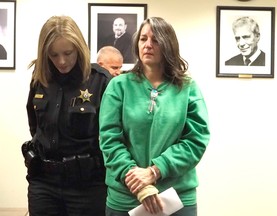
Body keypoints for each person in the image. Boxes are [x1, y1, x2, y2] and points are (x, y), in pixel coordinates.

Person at [99, 17, 210, 216]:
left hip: (175, 198)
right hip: (126, 197)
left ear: (168, 45)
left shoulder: (187, 88)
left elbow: (196, 140)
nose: (148, 45)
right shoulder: (119, 86)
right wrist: (137, 180)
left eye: (156, 40)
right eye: (143, 39)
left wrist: (155, 171)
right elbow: (109, 139)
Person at [23, 15, 111, 216]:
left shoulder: (99, 81)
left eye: (68, 53)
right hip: (44, 183)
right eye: (53, 55)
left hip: (87, 186)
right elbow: (35, 126)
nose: (61, 61)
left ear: (79, 48)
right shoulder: (40, 78)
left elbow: (112, 136)